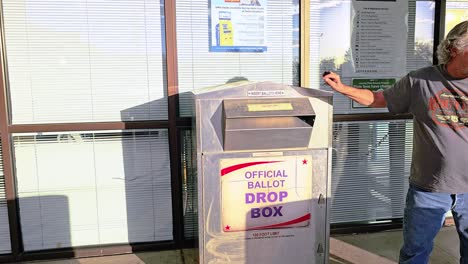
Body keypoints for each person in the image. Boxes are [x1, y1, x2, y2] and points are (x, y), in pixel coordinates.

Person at [323, 20, 468, 264]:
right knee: (415, 251)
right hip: (429, 186)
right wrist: (343, 88)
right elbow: (379, 99)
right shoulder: (420, 81)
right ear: (455, 49)